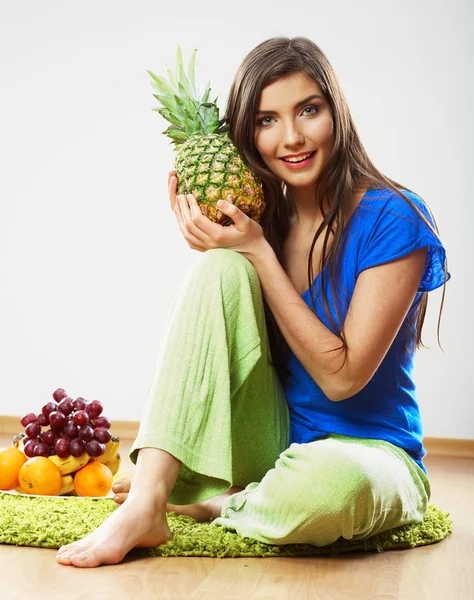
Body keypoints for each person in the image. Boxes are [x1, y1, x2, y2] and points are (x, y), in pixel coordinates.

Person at [56, 36, 450, 568]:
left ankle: (221, 503)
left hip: (371, 455)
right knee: (219, 266)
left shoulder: (394, 215)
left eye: (308, 110)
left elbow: (342, 379)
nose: (291, 137)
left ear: (337, 112)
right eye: (267, 120)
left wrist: (260, 254)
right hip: (274, 442)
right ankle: (147, 505)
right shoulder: (261, 223)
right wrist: (234, 246)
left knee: (325, 490)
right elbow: (226, 344)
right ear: (248, 134)